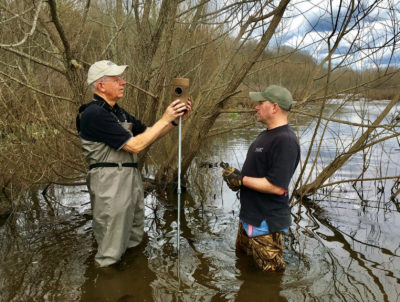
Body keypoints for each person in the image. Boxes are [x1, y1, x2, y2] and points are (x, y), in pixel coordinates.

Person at [76, 60, 191, 267]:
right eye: (117, 79)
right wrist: (165, 118)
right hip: (109, 183)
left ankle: (131, 283)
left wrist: (173, 121)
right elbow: (136, 146)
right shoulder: (94, 114)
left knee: (134, 236)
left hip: (130, 179)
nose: (124, 82)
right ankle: (107, 285)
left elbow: (148, 135)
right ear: (101, 86)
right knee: (111, 247)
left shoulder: (118, 112)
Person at [222, 85, 300, 272]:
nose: (256, 107)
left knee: (270, 279)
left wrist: (241, 180)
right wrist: (236, 179)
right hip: (249, 218)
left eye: (260, 103)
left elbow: (277, 187)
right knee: (243, 266)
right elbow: (257, 174)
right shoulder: (266, 135)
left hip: (266, 224)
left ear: (274, 107)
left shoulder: (285, 140)